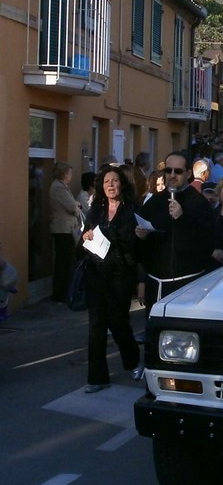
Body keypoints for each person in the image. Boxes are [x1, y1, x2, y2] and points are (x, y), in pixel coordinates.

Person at [80, 166, 143, 392]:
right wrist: (86, 235)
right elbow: (85, 236)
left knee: (118, 322)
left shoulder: (132, 210)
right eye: (106, 181)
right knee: (96, 326)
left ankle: (133, 359)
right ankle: (97, 378)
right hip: (96, 272)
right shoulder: (96, 209)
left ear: (122, 184)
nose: (110, 185)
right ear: (101, 186)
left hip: (121, 273)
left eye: (114, 181)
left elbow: (139, 246)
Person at [136, 152, 214, 313]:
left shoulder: (198, 202)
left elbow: (207, 241)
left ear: (188, 173)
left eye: (177, 171)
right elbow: (141, 247)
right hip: (155, 282)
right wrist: (139, 236)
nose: (172, 175)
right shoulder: (154, 201)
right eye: (168, 170)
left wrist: (181, 219)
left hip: (187, 282)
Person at [49, 162, 81, 303]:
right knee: (63, 262)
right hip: (62, 229)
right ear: (64, 173)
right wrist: (77, 205)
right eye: (69, 173)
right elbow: (72, 207)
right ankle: (59, 293)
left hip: (66, 227)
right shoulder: (58, 188)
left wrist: (76, 205)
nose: (71, 176)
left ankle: (63, 292)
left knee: (66, 261)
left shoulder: (62, 186)